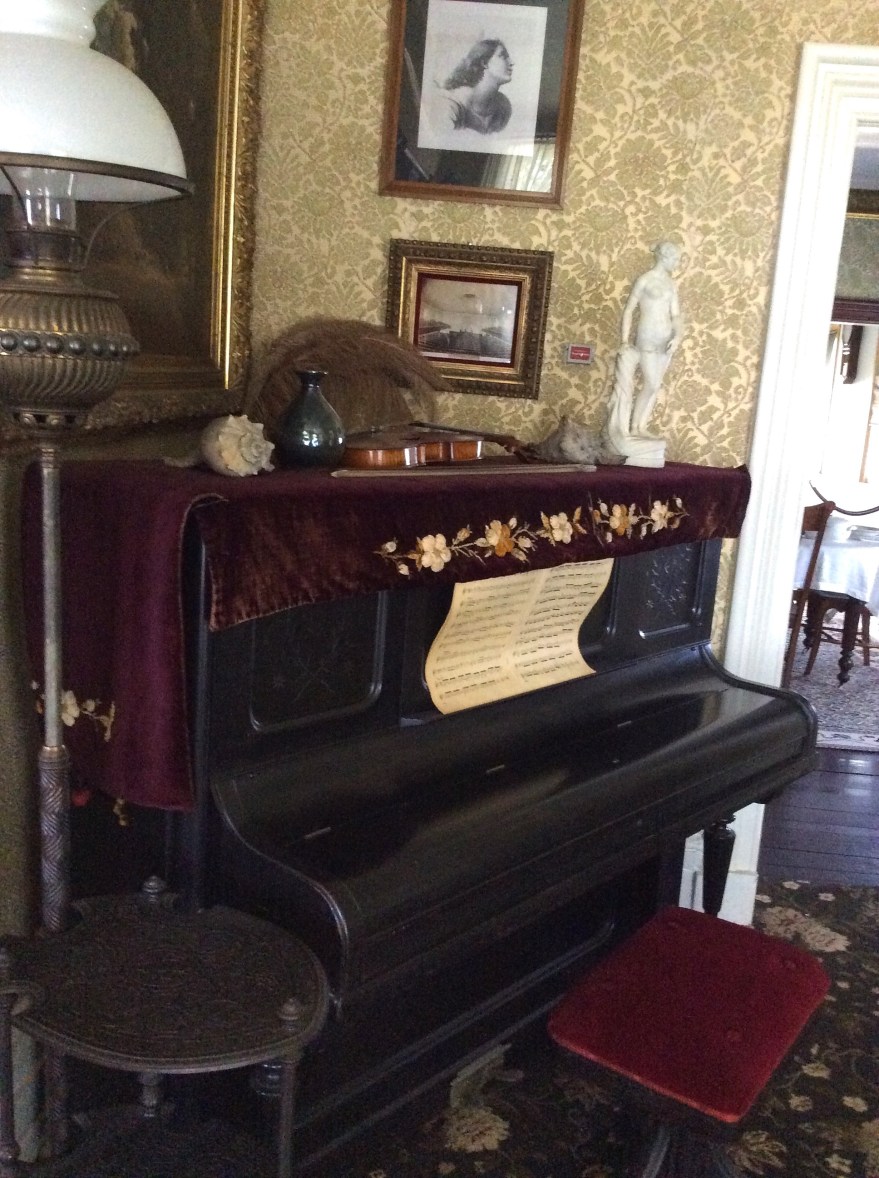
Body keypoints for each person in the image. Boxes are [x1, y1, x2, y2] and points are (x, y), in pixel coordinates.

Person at [617, 241, 684, 438]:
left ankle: (640, 427)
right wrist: (624, 341)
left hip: (665, 340)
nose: (677, 264)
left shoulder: (671, 284)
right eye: (676, 259)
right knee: (652, 383)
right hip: (647, 336)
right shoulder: (645, 280)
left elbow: (676, 316)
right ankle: (635, 427)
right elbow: (629, 310)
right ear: (664, 257)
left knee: (656, 385)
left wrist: (678, 336)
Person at [440, 39, 514, 135]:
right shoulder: (453, 102)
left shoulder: (502, 106)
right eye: (503, 56)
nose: (511, 62)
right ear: (484, 63)